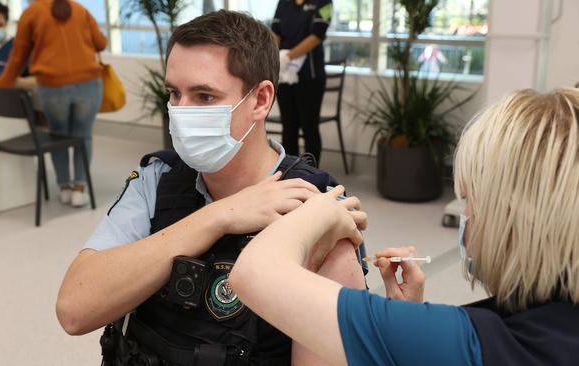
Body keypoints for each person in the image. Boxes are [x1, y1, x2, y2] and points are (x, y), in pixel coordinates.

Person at [55, 10, 366, 366]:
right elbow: (74, 310)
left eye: (204, 97)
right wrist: (218, 217)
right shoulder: (157, 180)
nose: (181, 112)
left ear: (261, 100)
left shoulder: (313, 207)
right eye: (174, 93)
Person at [230, 88, 579, 365]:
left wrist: (317, 211)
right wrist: (408, 328)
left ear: (512, 219)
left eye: (471, 201)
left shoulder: (479, 342)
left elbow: (254, 273)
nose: (466, 216)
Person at [0, 0, 107, 207]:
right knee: (83, 135)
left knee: (57, 134)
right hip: (89, 85)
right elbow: (101, 43)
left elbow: (17, 58)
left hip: (52, 87)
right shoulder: (80, 9)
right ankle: (80, 189)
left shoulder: (31, 13)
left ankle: (64, 187)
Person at [271, 0, 332, 164]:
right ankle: (290, 173)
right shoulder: (283, 3)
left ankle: (312, 174)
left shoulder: (324, 3)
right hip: (285, 75)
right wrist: (276, 57)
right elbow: (275, 32)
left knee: (309, 127)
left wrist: (288, 56)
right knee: (288, 127)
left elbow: (317, 35)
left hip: (310, 76)